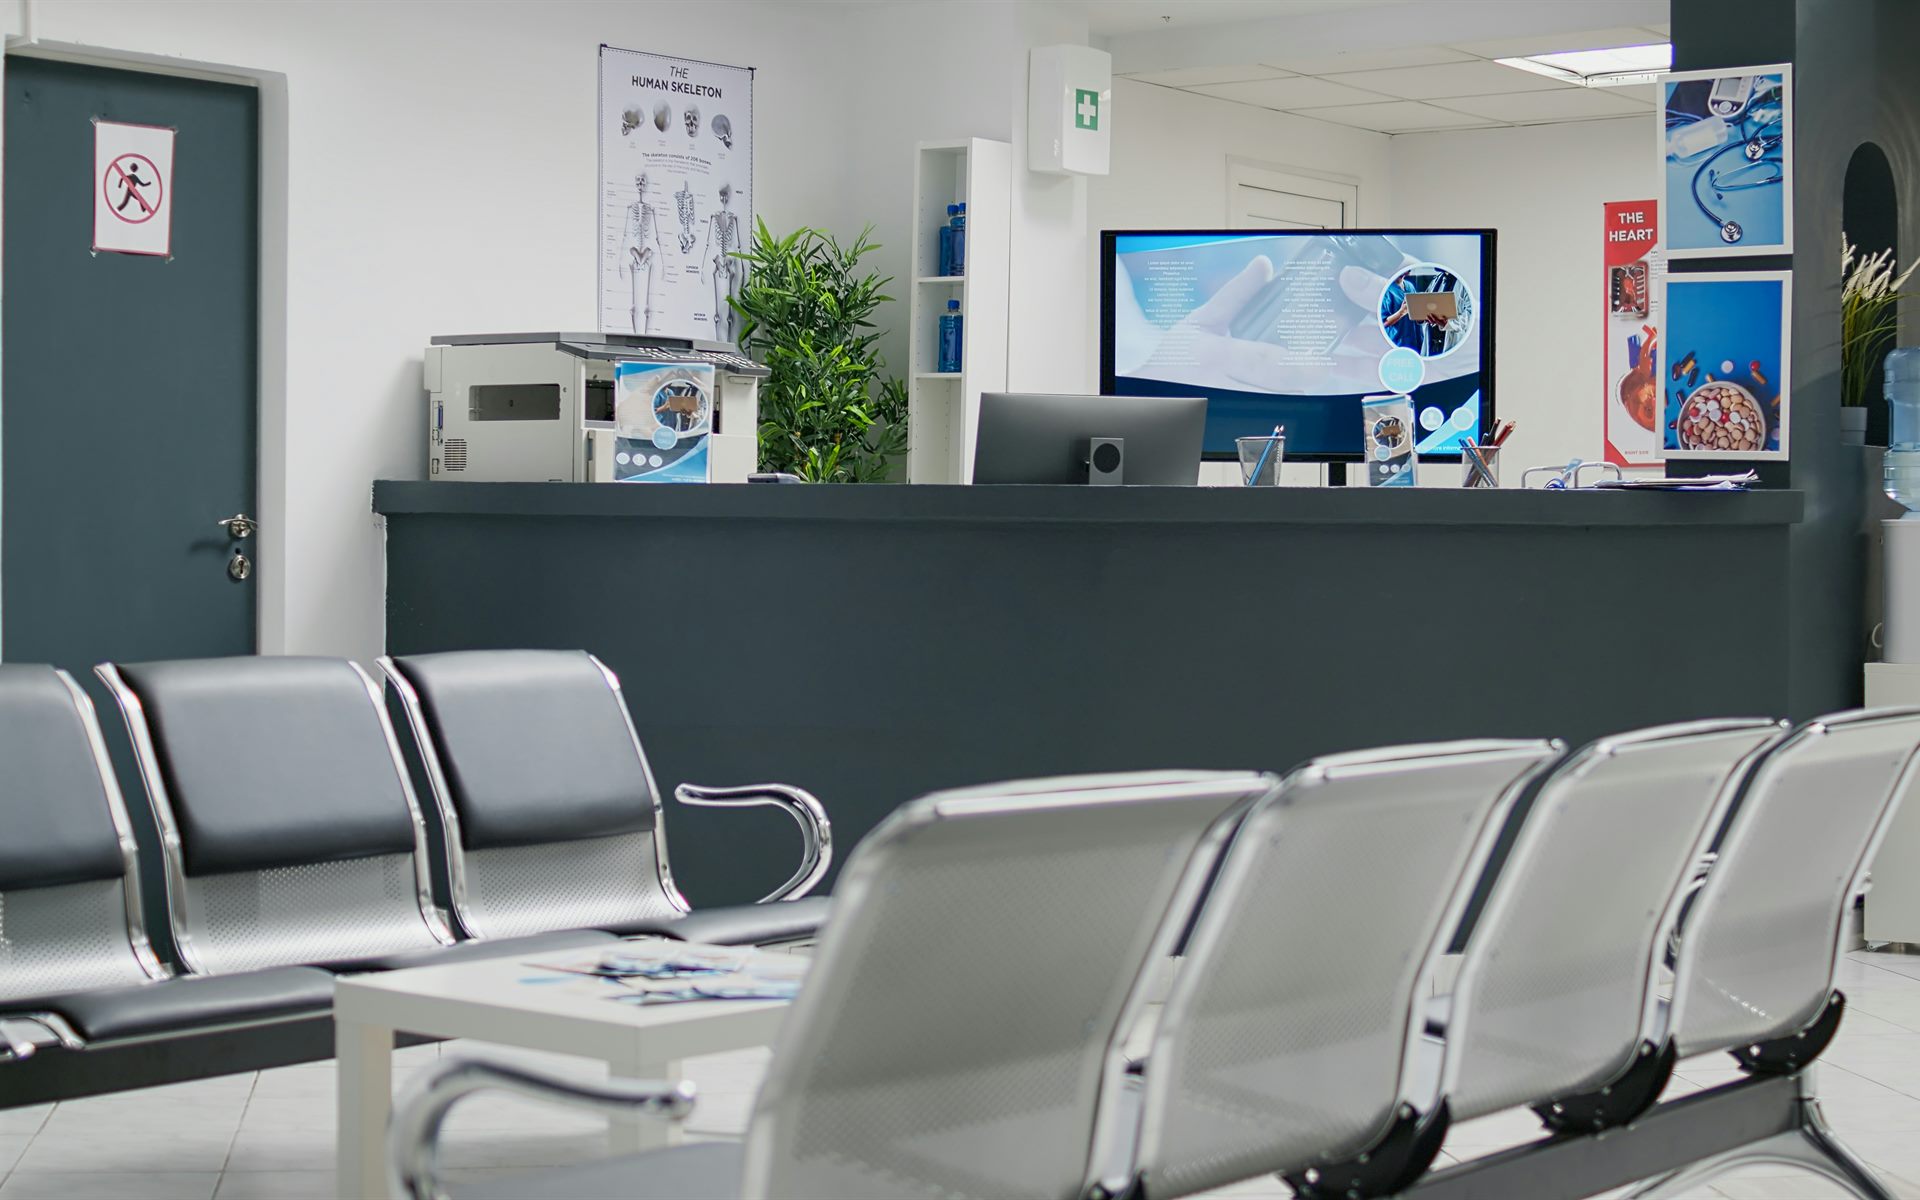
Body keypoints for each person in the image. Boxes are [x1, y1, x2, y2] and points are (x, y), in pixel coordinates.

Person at [619, 172, 663, 334]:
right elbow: (625, 232)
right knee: (635, 296)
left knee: (645, 296)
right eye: (638, 181)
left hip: (645, 252)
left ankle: (643, 331)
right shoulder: (630, 208)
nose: (640, 184)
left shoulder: (649, 209)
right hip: (635, 252)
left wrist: (662, 263)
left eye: (642, 181)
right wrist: (619, 260)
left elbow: (656, 235)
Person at [701, 182, 744, 342]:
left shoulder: (733, 217)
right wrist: (702, 267)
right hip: (718, 262)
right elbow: (707, 243)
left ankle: (727, 344)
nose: (723, 199)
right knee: (718, 312)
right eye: (722, 196)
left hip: (729, 262)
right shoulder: (713, 217)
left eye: (725, 195)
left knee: (730, 311)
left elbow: (738, 244)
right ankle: (719, 343)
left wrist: (743, 272)